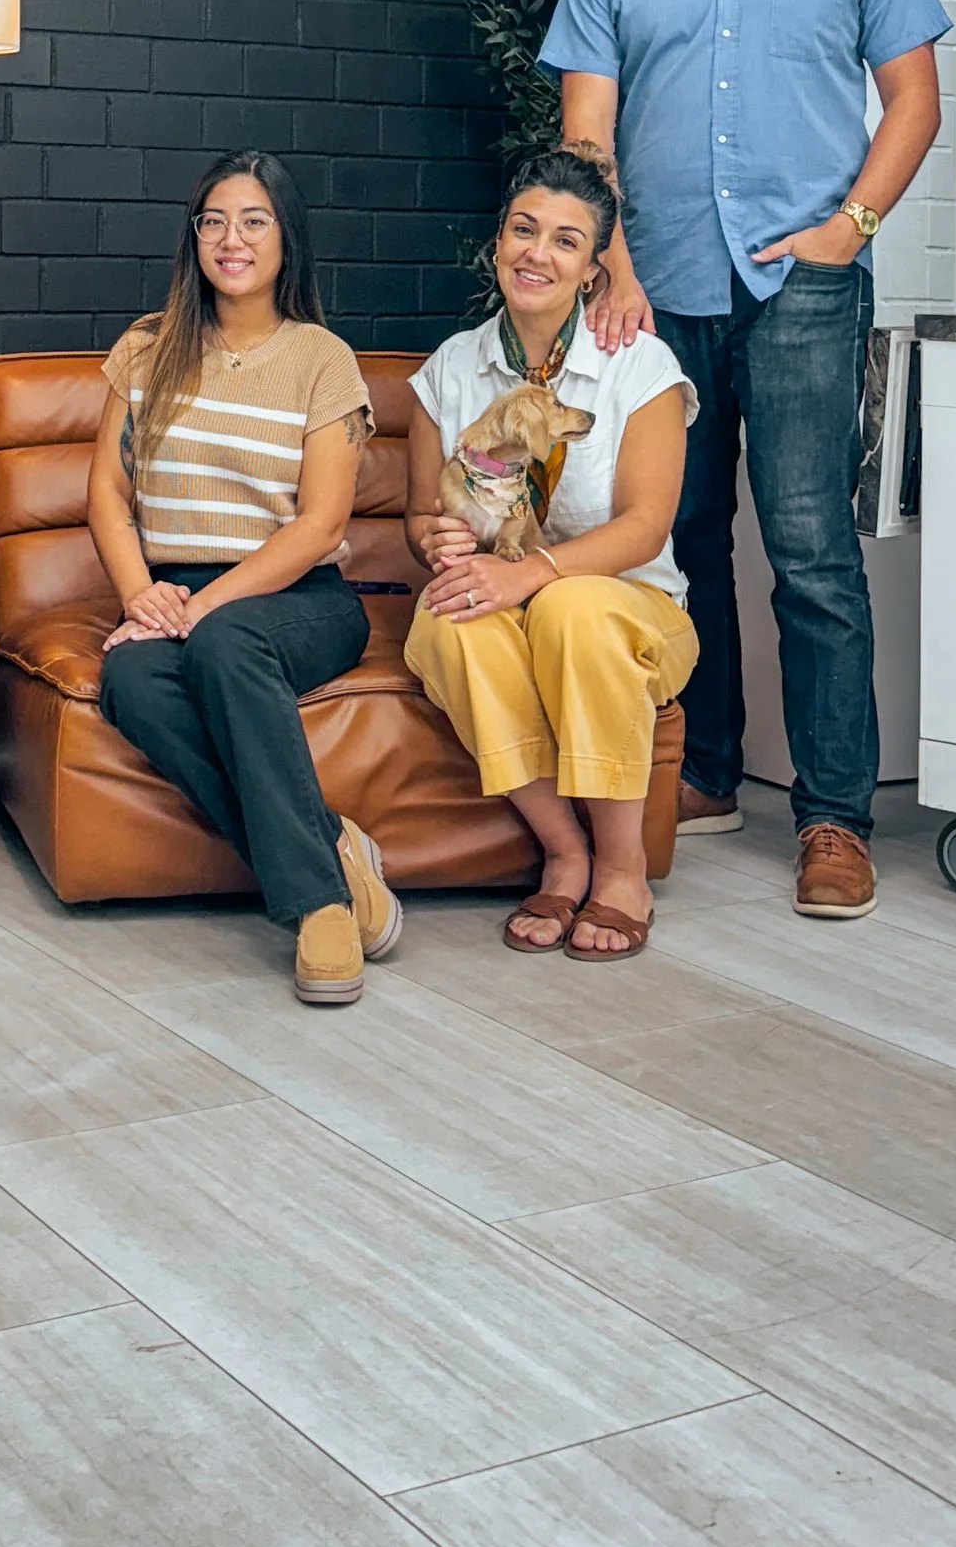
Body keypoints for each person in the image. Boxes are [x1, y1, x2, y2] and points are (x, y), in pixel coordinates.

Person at [542, 0, 948, 919]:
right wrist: (609, 262)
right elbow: (585, 132)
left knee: (811, 548)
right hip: (655, 288)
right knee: (679, 535)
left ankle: (833, 819)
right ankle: (708, 770)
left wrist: (849, 229)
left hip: (805, 286)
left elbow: (913, 100)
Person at [86, 150, 399, 1007]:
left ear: (285, 237)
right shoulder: (147, 348)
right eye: (215, 221)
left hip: (299, 595)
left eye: (255, 220)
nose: (233, 238)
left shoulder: (321, 358)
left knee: (222, 642)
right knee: (131, 675)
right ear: (194, 238)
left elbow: (321, 525)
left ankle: (318, 908)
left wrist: (199, 607)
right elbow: (107, 493)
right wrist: (139, 595)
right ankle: (331, 847)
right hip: (179, 590)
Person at [404, 150, 698, 959]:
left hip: (632, 610)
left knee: (573, 605)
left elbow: (645, 527)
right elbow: (419, 514)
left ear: (594, 268)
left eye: (566, 241)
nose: (537, 253)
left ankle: (624, 868)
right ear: (497, 242)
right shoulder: (450, 369)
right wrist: (433, 536)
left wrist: (531, 573)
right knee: (449, 619)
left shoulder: (639, 366)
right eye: (523, 230)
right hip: (504, 602)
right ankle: (564, 850)